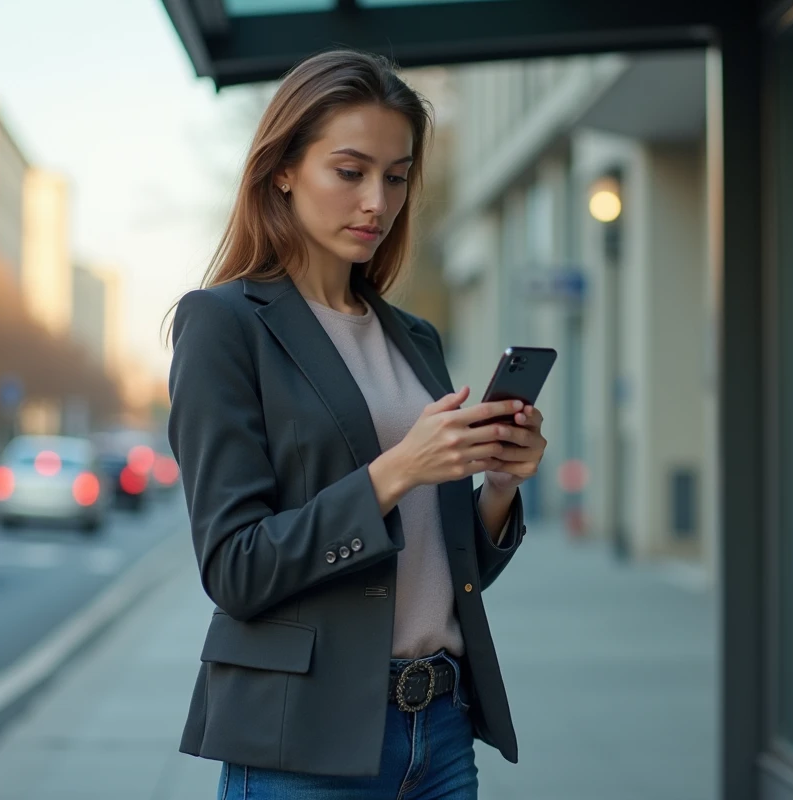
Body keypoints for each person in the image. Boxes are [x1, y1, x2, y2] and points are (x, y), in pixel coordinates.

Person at [165, 48, 547, 800]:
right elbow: (236, 569)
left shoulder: (414, 337)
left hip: (437, 729)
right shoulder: (222, 324)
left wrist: (498, 486)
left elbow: (444, 575)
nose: (377, 199)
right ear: (283, 169)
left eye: (397, 176)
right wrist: (398, 469)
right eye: (350, 171)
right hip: (301, 743)